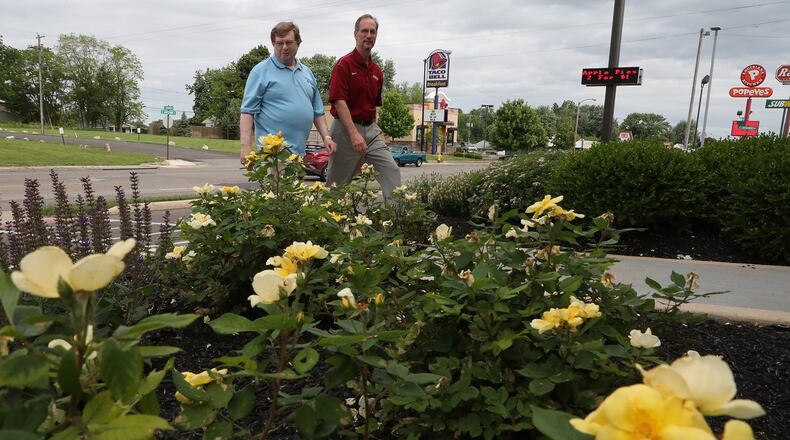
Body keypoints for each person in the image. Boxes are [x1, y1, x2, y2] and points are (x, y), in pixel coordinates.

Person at [326, 14, 401, 197]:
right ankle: (327, 224)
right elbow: (339, 101)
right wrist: (354, 134)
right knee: (336, 188)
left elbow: (373, 106)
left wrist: (374, 131)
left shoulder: (377, 71)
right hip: (345, 131)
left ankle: (395, 222)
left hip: (371, 131)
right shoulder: (343, 65)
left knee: (392, 171)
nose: (369, 35)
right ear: (356, 35)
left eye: (372, 32)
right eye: (364, 31)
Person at [239, 21, 335, 164]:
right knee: (276, 187)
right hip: (272, 155)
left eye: (288, 42)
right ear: (273, 44)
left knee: (295, 187)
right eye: (279, 43)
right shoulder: (260, 71)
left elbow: (318, 112)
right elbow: (247, 112)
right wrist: (246, 146)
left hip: (299, 155)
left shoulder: (307, 73)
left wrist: (326, 137)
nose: (284, 47)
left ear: (298, 43)